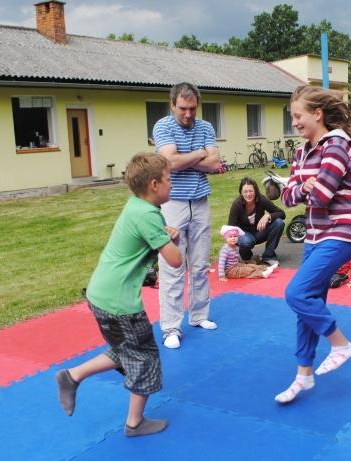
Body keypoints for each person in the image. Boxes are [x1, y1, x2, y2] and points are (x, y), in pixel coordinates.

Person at [55, 154, 181, 437]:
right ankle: (134, 423)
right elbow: (175, 260)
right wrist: (174, 238)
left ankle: (72, 376)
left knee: (127, 349)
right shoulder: (148, 215)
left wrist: (166, 238)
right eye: (169, 178)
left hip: (101, 295)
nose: (172, 184)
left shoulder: (136, 205)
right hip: (119, 303)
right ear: (154, 184)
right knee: (144, 357)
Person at [275, 85, 351, 404]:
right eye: (292, 117)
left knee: (296, 293)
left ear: (317, 114)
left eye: (298, 116)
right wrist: (303, 188)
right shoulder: (301, 153)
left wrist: (306, 188)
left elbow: (323, 196)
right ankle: (304, 375)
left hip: (341, 233)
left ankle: (340, 343)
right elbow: (287, 197)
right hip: (314, 236)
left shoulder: (338, 145)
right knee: (307, 305)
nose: (294, 123)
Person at [153, 82, 222, 349]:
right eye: (183, 108)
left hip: (200, 201)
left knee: (200, 265)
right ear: (173, 105)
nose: (188, 114)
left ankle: (199, 315)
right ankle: (171, 327)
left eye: (193, 108)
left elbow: (215, 164)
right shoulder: (163, 127)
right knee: (172, 266)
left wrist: (186, 158)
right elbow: (169, 162)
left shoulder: (206, 127)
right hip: (173, 203)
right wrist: (200, 153)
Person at [228, 177, 285, 264]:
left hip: (259, 232)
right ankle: (246, 257)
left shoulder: (261, 199)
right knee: (246, 241)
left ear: (255, 191)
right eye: (245, 191)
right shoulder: (237, 204)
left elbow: (281, 213)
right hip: (244, 235)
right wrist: (232, 248)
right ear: (241, 192)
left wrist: (268, 215)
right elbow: (231, 227)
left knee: (279, 223)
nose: (248, 194)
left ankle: (268, 256)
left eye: (251, 191)